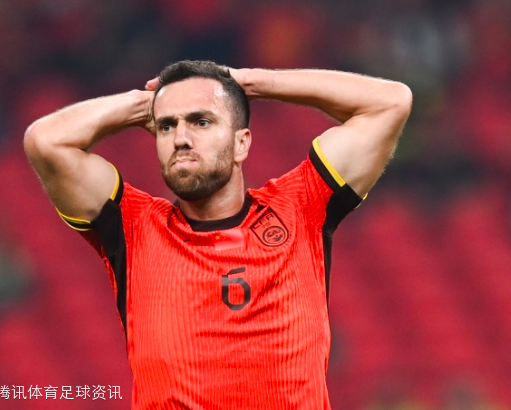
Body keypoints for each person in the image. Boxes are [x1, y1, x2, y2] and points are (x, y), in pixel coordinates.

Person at [24, 60, 412, 409]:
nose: (180, 138)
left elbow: (390, 103)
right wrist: (146, 103)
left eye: (201, 121)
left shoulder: (300, 207)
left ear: (241, 143)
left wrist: (253, 83)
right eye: (167, 126)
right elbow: (46, 141)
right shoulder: (134, 228)